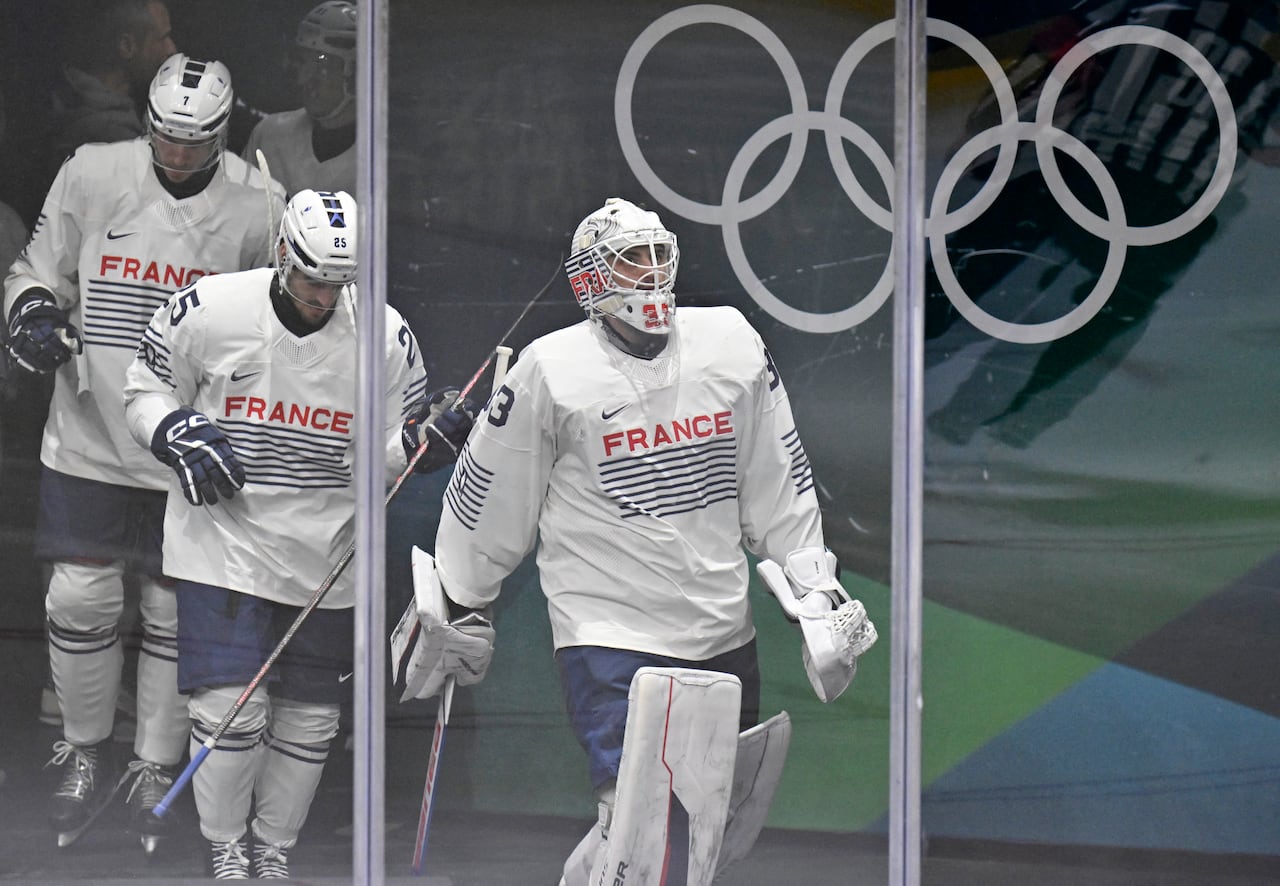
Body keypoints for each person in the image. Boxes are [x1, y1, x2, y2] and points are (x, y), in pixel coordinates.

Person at [393, 197, 878, 885]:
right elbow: (491, 494)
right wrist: (461, 598)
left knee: (696, 830)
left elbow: (780, 477)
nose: (649, 273)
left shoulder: (731, 343)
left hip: (722, 628)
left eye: (657, 255)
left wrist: (814, 591)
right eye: (630, 260)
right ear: (592, 278)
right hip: (608, 633)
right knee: (641, 823)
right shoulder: (550, 369)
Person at [122, 188, 475, 879]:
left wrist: (420, 444)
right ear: (283, 251)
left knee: (311, 719)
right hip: (221, 545)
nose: (322, 298)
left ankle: (274, 848)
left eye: (338, 285)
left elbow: (383, 456)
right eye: (312, 278)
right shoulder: (210, 308)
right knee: (230, 710)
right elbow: (144, 388)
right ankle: (225, 844)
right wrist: (172, 429)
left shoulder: (385, 335)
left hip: (328, 554)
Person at [3, 52, 283, 855]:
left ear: (222, 133)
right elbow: (36, 270)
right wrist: (31, 312)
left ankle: (152, 764)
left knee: (169, 604)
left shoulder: (260, 204)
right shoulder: (92, 173)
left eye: (196, 141)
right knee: (79, 597)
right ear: (147, 124)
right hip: (89, 431)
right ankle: (81, 747)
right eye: (166, 137)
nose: (179, 153)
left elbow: (272, 329)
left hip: (187, 446)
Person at [242, 1, 357, 197]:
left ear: (355, 73)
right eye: (304, 62)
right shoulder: (270, 135)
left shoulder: (382, 157)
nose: (305, 80)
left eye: (322, 66)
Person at [48, 0, 177, 165]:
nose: (171, 48)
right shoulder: (112, 135)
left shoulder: (69, 102)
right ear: (127, 46)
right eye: (162, 38)